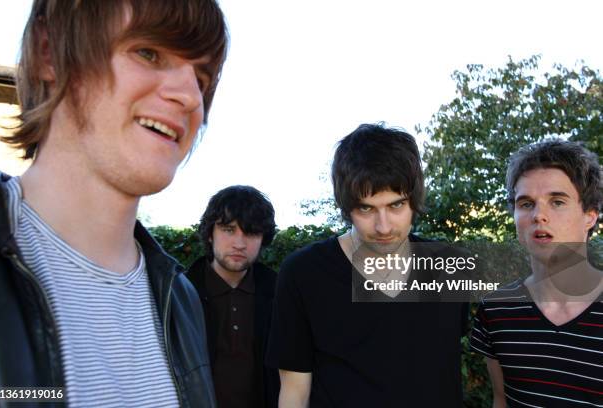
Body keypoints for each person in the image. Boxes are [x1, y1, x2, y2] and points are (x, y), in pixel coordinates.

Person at [0, 1, 228, 406]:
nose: (191, 97)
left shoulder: (182, 300)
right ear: (50, 52)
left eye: (202, 78)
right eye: (149, 53)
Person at [266, 123, 469, 407]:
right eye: (366, 208)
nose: (383, 226)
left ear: (414, 200)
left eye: (396, 205)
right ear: (345, 205)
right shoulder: (303, 273)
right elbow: (293, 391)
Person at [470, 140, 603, 407]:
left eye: (557, 201)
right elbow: (501, 401)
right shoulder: (496, 309)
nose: (539, 215)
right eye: (526, 203)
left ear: (590, 215)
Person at [187, 185, 280, 408]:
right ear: (210, 234)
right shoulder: (180, 294)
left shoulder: (280, 294)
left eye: (250, 232)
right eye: (229, 230)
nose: (239, 243)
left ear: (263, 239)